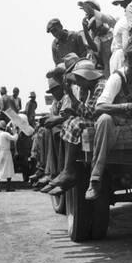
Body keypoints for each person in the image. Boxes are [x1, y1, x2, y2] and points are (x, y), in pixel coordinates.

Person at [85, 44, 132, 200]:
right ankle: (95, 179)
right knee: (104, 119)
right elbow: (99, 107)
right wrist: (127, 106)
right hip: (114, 127)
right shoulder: (117, 78)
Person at [43, 60, 106, 195]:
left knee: (74, 124)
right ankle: (66, 170)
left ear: (86, 77)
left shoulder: (100, 86)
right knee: (69, 122)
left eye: (78, 79)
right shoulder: (91, 87)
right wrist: (73, 111)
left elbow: (91, 113)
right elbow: (87, 110)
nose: (76, 82)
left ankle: (68, 171)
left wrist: (72, 96)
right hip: (96, 120)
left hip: (104, 123)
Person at [78, 0, 116, 77]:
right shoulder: (93, 34)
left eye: (88, 10)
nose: (87, 14)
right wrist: (85, 30)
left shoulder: (107, 19)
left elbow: (110, 22)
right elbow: (95, 47)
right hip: (107, 67)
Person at [0, 120, 19, 192]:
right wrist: (15, 132)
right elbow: (14, 138)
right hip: (7, 152)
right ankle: (8, 187)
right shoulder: (5, 134)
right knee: (8, 168)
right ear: (4, 128)